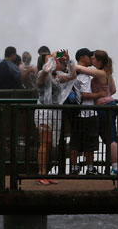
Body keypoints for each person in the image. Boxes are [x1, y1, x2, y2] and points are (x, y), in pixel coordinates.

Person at [34, 51, 78, 184]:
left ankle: (46, 173)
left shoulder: (57, 77)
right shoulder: (41, 76)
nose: (53, 62)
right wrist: (52, 59)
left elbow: (73, 76)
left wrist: (68, 61)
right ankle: (41, 174)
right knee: (45, 142)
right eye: (49, 60)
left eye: (53, 60)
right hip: (44, 112)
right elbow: (45, 71)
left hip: (55, 113)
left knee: (50, 145)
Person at [75, 49, 118, 175]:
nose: (91, 59)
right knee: (109, 137)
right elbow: (113, 90)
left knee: (110, 138)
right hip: (109, 104)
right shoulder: (107, 72)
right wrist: (104, 93)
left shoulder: (99, 73)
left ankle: (116, 168)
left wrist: (68, 62)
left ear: (99, 61)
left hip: (103, 107)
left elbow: (79, 68)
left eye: (93, 58)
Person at [70, 48, 101, 175]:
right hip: (88, 113)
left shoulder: (72, 73)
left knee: (75, 142)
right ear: (82, 58)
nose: (91, 59)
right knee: (90, 142)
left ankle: (73, 168)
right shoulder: (84, 76)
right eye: (89, 56)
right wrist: (99, 94)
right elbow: (85, 94)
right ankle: (90, 168)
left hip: (76, 113)